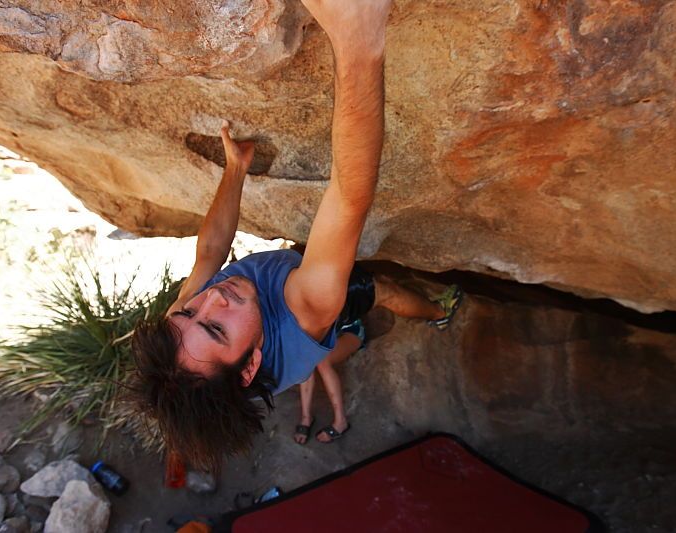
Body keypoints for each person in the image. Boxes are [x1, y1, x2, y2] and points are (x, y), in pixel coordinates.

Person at [128, 0, 462, 472]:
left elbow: (209, 253)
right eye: (216, 327)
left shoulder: (185, 333)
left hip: (281, 283)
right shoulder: (307, 312)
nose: (210, 299)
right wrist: (358, 39)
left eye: (189, 310)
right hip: (315, 307)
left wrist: (235, 170)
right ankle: (437, 312)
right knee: (379, 291)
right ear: (249, 366)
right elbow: (349, 198)